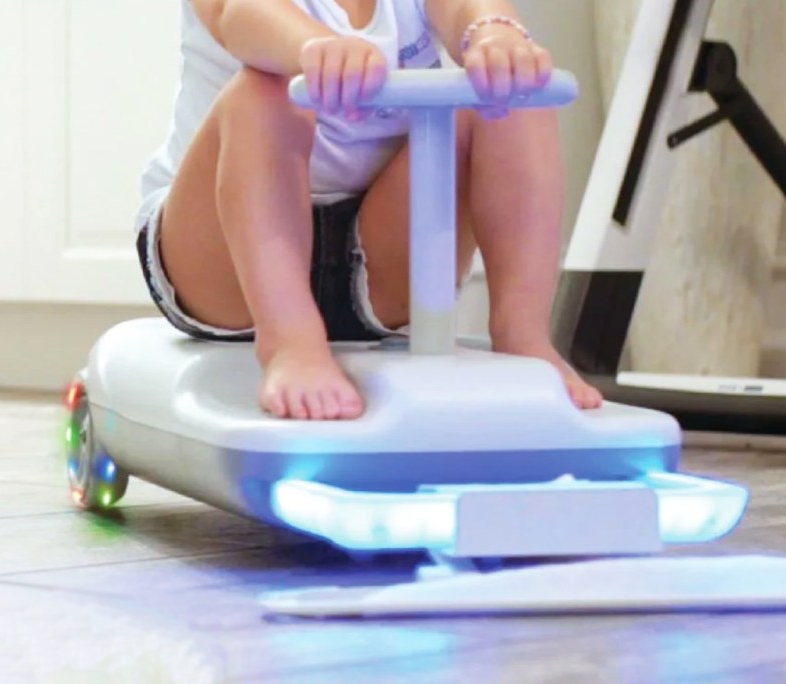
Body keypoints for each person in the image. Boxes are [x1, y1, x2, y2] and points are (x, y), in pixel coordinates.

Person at [134, 0, 603, 421]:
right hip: (225, 261)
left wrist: (494, 33)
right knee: (263, 92)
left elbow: (469, 8)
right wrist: (315, 48)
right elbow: (238, 16)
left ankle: (523, 335)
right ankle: (289, 341)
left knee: (511, 92)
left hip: (376, 256)